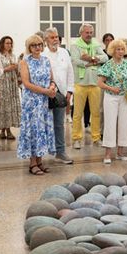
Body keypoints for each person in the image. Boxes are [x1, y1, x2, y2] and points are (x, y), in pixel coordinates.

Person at [18, 34, 56, 175]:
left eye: (39, 45)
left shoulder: (46, 60)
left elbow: (52, 79)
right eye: (34, 45)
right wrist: (46, 91)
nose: (37, 48)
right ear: (29, 47)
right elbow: (26, 83)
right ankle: (32, 163)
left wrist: (52, 87)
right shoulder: (25, 62)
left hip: (44, 102)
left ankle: (40, 161)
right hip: (32, 102)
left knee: (42, 130)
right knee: (33, 131)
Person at [97, 39, 127, 164]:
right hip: (111, 97)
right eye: (118, 49)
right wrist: (111, 88)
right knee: (110, 124)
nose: (120, 51)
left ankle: (120, 153)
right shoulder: (108, 64)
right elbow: (100, 83)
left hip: (124, 97)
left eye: (122, 49)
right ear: (113, 51)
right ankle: (107, 155)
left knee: (124, 124)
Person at [70, 24, 108, 148]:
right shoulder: (75, 45)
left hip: (95, 83)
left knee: (96, 113)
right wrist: (92, 62)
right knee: (77, 113)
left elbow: (105, 57)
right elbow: (75, 60)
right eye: (87, 32)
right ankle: (76, 139)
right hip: (80, 83)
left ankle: (96, 138)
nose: (89, 35)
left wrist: (90, 58)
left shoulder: (96, 44)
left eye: (91, 32)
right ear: (81, 33)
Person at [42, 28, 74, 164]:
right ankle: (40, 153)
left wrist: (70, 91)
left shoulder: (64, 52)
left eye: (56, 37)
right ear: (46, 40)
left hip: (61, 93)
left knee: (59, 124)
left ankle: (60, 152)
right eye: (52, 37)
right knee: (43, 123)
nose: (55, 39)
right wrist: (48, 89)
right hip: (45, 93)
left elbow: (70, 72)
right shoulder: (42, 54)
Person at [0, 36, 21, 140]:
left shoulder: (13, 56)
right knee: (4, 106)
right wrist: (8, 68)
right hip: (3, 83)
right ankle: (6, 131)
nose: (9, 45)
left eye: (10, 43)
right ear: (2, 44)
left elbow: (16, 68)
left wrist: (16, 69)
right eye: (7, 43)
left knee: (10, 107)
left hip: (12, 83)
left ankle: (5, 130)